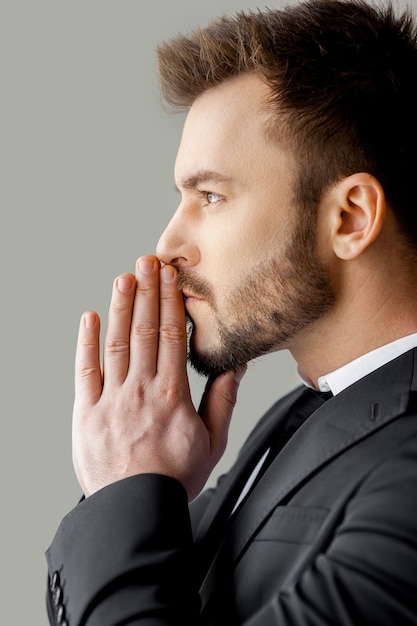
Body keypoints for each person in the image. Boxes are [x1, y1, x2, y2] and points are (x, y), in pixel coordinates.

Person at [46, 0, 417, 624]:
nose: (167, 246)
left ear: (350, 217)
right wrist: (147, 496)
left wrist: (123, 486)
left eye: (211, 196)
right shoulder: (298, 415)